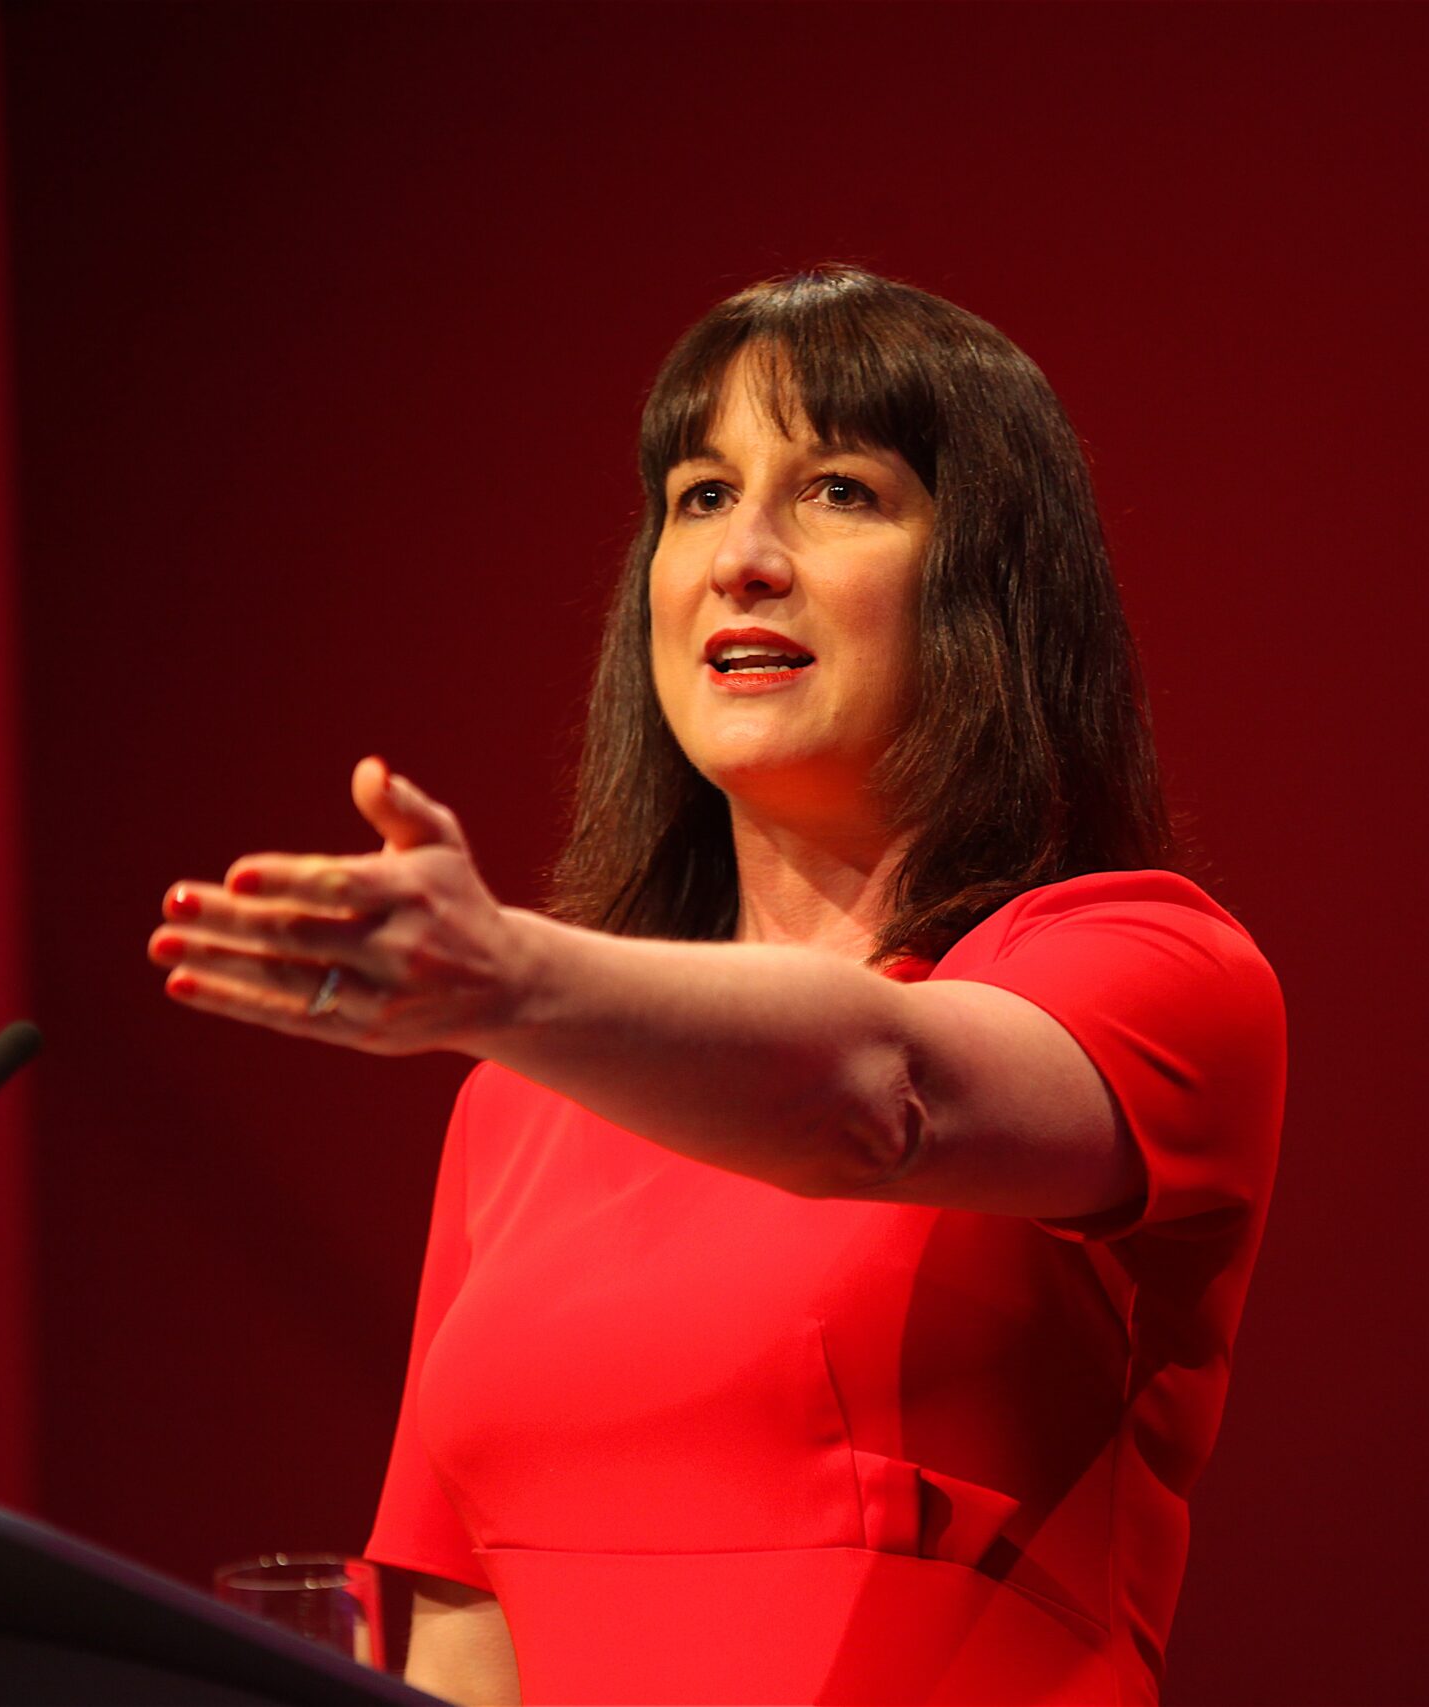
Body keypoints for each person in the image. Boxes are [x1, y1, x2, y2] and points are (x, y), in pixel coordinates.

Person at [147, 265, 1287, 1706]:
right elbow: (460, 1646)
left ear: (991, 580)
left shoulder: (1150, 971)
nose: (741, 556)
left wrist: (508, 974)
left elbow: (882, 1093)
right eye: (698, 495)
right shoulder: (520, 1103)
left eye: (839, 493)